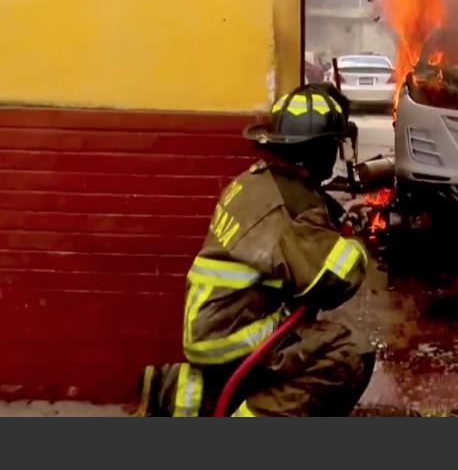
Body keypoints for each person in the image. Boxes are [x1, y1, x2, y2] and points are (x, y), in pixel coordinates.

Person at [136, 83, 374, 417]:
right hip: (233, 335)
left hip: (211, 327)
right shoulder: (291, 205)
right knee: (348, 353)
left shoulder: (254, 181)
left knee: (301, 346)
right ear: (322, 152)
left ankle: (178, 392)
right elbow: (333, 281)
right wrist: (356, 241)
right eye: (334, 146)